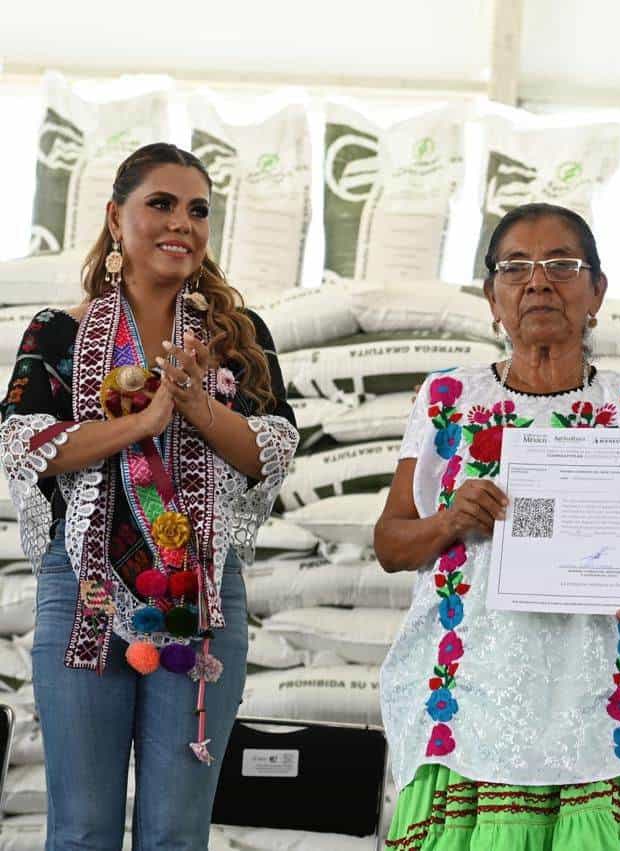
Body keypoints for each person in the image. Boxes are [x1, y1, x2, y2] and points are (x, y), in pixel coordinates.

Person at [0, 142, 298, 849]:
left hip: (198, 597)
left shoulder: (240, 336)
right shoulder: (58, 332)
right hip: (82, 592)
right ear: (115, 217)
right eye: (160, 204)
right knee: (81, 828)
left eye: (198, 209)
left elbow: (272, 451)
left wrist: (197, 406)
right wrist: (141, 422)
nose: (183, 223)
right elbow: (23, 443)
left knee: (174, 829)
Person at [375, 202, 620, 850]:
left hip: (593, 707)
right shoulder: (447, 400)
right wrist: (452, 519)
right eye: (516, 267)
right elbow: (390, 542)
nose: (538, 281)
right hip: (472, 704)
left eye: (562, 265)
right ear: (492, 296)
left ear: (597, 291)